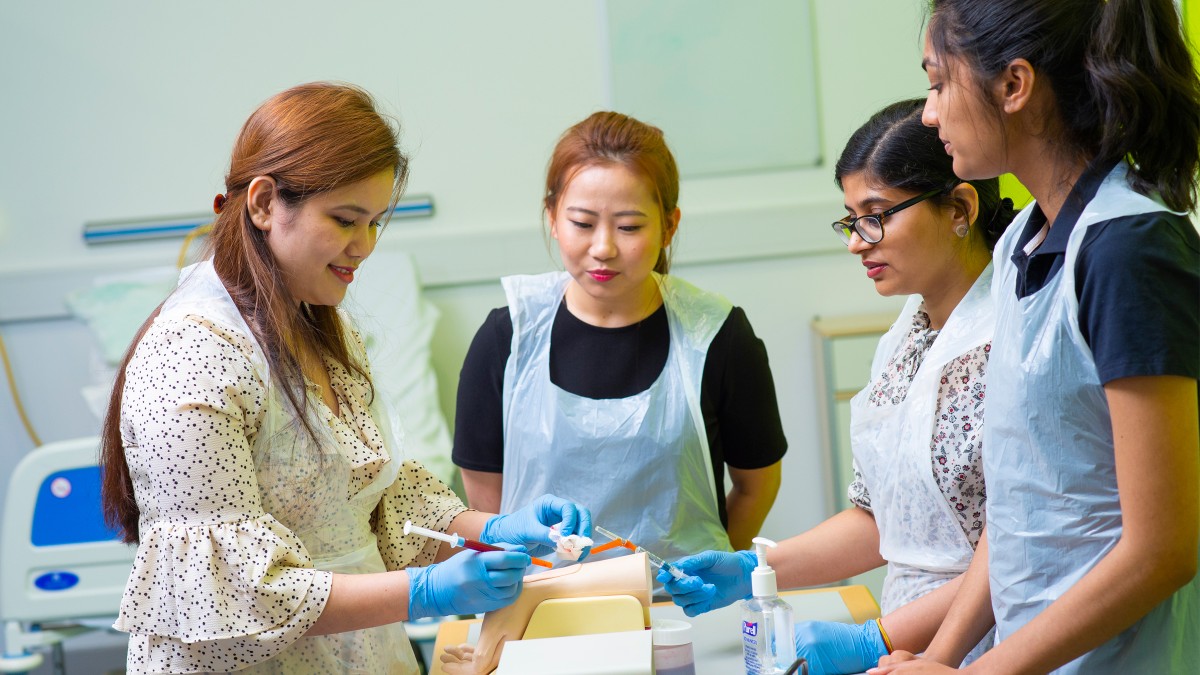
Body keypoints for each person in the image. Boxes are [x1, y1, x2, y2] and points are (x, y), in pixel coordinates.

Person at [98, 82, 592, 675]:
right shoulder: (193, 357)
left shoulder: (320, 327)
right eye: (344, 220)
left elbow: (373, 496)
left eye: (375, 223)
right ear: (262, 204)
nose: (364, 247)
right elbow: (235, 592)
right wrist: (423, 591)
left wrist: (493, 530)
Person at [871, 1, 1200, 673]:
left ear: (1014, 86)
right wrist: (937, 657)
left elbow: (1162, 548)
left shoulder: (1127, 248)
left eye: (938, 83)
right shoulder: (1020, 242)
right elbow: (1019, 505)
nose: (929, 113)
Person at [658, 98, 1018, 675]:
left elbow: (1017, 547)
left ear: (959, 207)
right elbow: (880, 520)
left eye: (875, 215)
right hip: (912, 644)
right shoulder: (907, 336)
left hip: (999, 643)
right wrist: (754, 567)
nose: (856, 240)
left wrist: (874, 638)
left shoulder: (1012, 336)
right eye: (850, 219)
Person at [451, 111, 787, 563]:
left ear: (669, 226)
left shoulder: (717, 336)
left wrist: (708, 578)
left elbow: (756, 485)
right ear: (552, 218)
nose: (604, 247)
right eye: (583, 223)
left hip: (679, 611)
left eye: (629, 226)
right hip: (542, 608)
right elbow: (486, 506)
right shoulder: (507, 338)